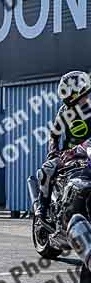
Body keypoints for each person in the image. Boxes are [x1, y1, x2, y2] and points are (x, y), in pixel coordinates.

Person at [35, 70, 91, 219]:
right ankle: (42, 206)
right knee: (47, 169)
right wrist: (53, 153)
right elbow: (54, 135)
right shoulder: (64, 112)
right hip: (68, 156)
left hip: (89, 154)